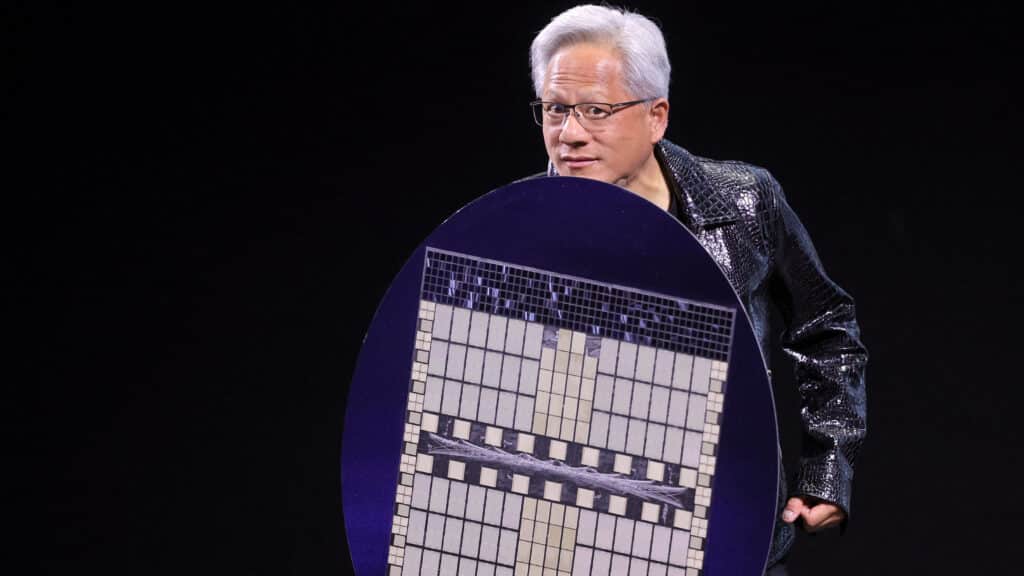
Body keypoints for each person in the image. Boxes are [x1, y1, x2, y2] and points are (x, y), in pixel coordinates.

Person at [525, 5, 868, 575]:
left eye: (597, 111)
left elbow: (827, 329)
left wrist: (827, 471)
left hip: (729, 542)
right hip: (575, 545)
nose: (571, 134)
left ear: (655, 116)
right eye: (556, 109)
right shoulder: (512, 232)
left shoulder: (743, 202)